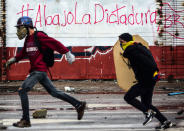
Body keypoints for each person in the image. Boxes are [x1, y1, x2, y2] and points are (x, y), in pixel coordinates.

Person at [5, 16, 86, 128]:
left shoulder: (39, 36)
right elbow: (23, 52)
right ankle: (79, 105)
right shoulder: (28, 39)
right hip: (38, 72)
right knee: (55, 92)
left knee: (22, 90)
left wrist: (67, 52)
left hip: (38, 71)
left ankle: (26, 120)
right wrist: (13, 60)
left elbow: (55, 43)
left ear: (28, 27)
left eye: (21, 28)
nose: (19, 31)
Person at [119, 33, 173, 130]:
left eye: (122, 41)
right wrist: (155, 72)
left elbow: (148, 63)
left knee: (128, 97)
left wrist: (152, 71)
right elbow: (150, 60)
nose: (120, 44)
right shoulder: (139, 47)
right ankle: (165, 122)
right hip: (151, 79)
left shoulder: (132, 51)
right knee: (147, 104)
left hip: (145, 80)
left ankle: (148, 112)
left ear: (127, 41)